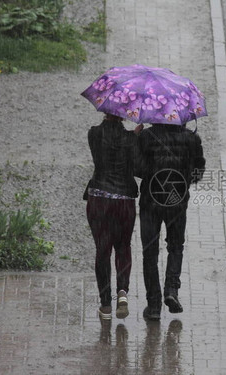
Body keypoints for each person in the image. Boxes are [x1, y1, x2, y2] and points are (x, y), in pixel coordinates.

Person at [138, 122, 206, 320]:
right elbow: (198, 171)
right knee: (175, 247)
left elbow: (136, 167)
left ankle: (153, 305)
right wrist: (181, 179)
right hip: (177, 202)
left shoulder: (147, 137)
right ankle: (171, 290)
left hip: (150, 201)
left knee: (149, 252)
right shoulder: (192, 139)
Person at [84, 113, 143, 320]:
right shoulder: (130, 139)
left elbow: (104, 154)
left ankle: (106, 305)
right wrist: (135, 138)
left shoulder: (93, 133)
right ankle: (123, 292)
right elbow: (137, 168)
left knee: (102, 250)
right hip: (124, 200)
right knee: (123, 246)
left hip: (98, 198)